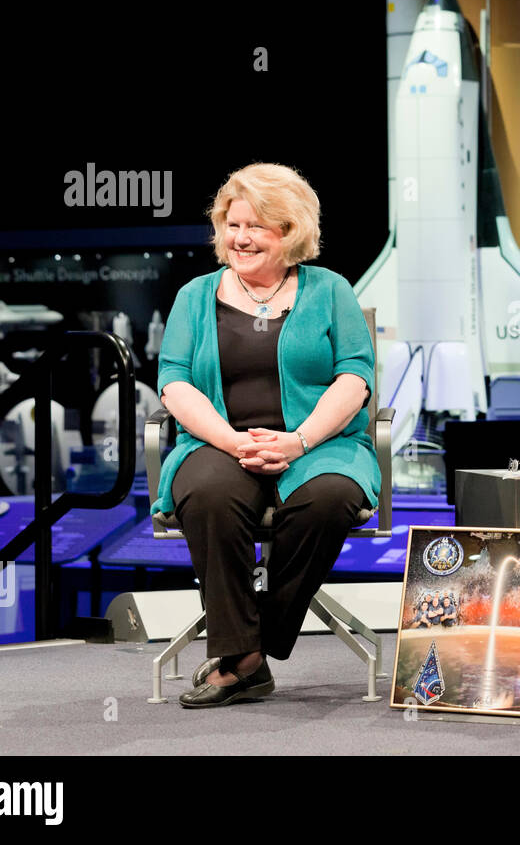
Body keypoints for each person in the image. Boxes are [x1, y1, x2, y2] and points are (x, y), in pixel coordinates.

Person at [151, 163, 380, 709]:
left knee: (328, 500)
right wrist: (232, 442)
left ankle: (255, 645)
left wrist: (298, 441)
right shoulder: (194, 296)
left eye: (257, 227)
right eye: (232, 225)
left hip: (320, 445)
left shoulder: (331, 291)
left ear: (291, 232)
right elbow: (173, 382)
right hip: (216, 442)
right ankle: (243, 658)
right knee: (208, 495)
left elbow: (356, 376)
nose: (241, 238)